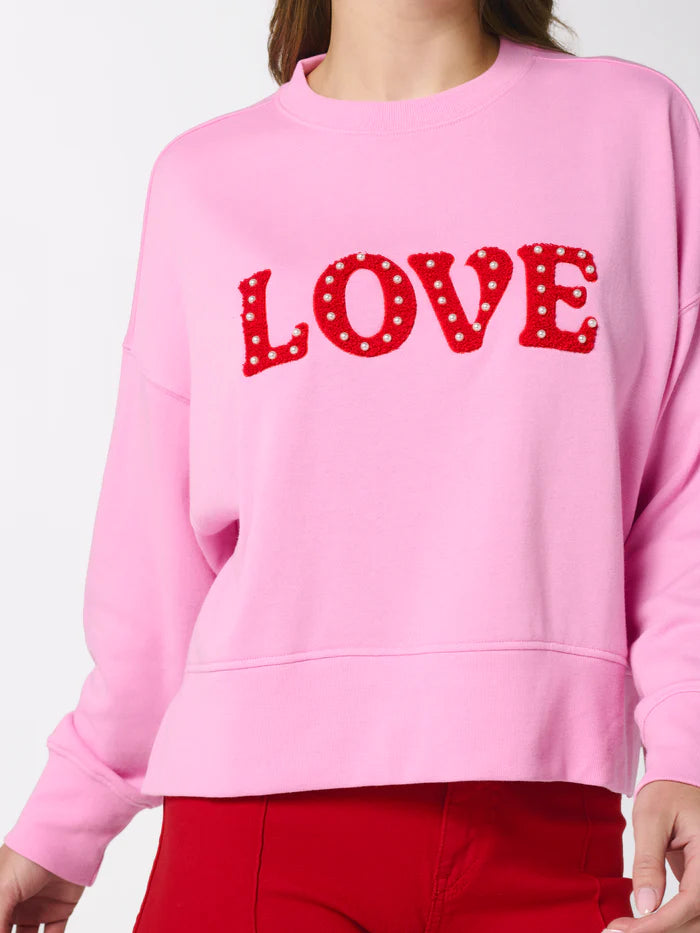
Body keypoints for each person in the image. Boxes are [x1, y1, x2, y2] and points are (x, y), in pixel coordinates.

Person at [2, 0, 700, 930]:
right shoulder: (205, 180)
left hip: (548, 834)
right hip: (254, 839)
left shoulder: (633, 127)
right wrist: (65, 818)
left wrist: (690, 747)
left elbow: (682, 491)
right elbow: (156, 563)